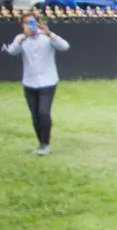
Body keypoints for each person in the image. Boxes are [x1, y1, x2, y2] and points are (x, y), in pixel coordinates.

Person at [5, 12, 70, 155]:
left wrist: (49, 33)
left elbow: (65, 46)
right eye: (27, 23)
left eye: (32, 22)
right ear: (22, 25)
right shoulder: (21, 39)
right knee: (35, 115)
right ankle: (41, 143)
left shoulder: (46, 37)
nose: (30, 26)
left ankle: (46, 145)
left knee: (43, 113)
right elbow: (11, 51)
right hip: (29, 82)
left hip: (48, 81)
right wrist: (23, 37)